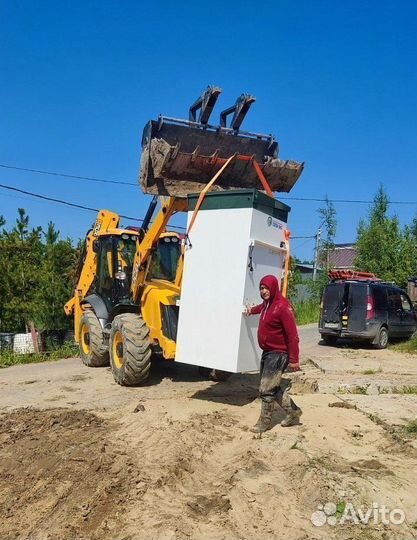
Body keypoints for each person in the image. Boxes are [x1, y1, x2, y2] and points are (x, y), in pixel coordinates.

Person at [245, 274, 302, 433]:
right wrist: (251, 310)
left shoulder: (283, 307)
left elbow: (293, 336)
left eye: (266, 288)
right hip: (268, 352)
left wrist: (294, 360)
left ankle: (264, 422)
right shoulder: (267, 304)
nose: (263, 291)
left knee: (266, 389)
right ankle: (293, 411)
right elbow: (260, 308)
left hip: (278, 354)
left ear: (273, 288)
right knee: (273, 387)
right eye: (261, 288)